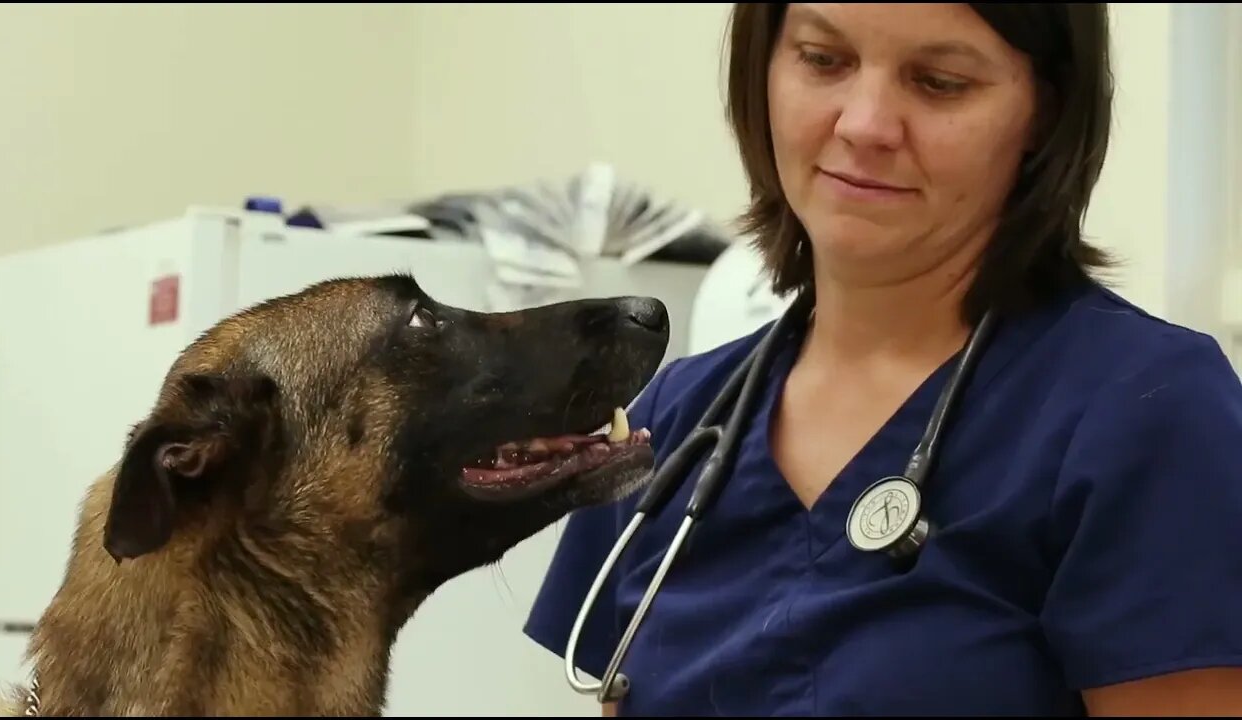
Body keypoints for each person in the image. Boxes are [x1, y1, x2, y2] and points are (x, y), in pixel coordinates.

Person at [521, 3, 1242, 717]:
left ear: (1045, 113)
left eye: (938, 82)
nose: (864, 124)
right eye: (823, 60)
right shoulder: (674, 422)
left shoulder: (1147, 413)